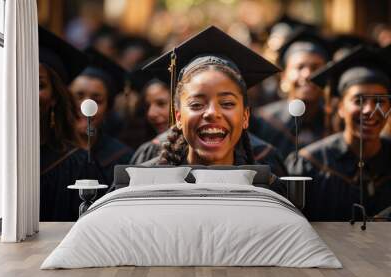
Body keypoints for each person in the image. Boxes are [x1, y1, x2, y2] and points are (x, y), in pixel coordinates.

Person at [141, 26, 287, 192]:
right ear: (179, 117)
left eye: (227, 103)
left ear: (246, 116)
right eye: (196, 104)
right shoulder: (142, 182)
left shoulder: (268, 188)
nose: (212, 113)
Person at [286, 45, 391, 221]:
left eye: (380, 101)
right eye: (359, 100)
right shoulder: (309, 165)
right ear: (340, 107)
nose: (369, 110)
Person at [39, 26, 95, 221]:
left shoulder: (75, 165)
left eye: (39, 85)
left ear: (54, 96)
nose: (26, 90)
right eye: (18, 81)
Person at [254, 28, 331, 158]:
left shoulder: (335, 123)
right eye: (299, 67)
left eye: (315, 67)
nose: (307, 74)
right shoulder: (262, 121)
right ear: (284, 76)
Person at [70, 48, 134, 186]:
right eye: (78, 96)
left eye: (97, 100)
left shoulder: (123, 159)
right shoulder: (48, 157)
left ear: (108, 108)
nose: (86, 107)